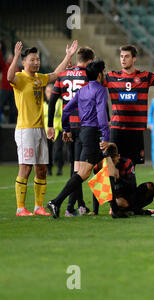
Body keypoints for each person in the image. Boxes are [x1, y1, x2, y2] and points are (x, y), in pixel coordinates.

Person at [8, 40, 78, 217]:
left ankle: (38, 206)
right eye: (32, 59)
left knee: (42, 169)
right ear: (24, 63)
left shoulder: (39, 78)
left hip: (39, 129)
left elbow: (56, 74)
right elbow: (9, 78)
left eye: (37, 59)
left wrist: (68, 56)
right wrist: (16, 56)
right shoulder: (20, 78)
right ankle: (20, 208)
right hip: (25, 129)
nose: (36, 62)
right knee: (25, 168)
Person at [47, 60, 110, 219]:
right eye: (103, 71)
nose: (104, 74)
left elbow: (66, 110)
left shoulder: (82, 91)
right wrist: (106, 136)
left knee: (102, 168)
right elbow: (102, 115)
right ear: (99, 74)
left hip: (83, 132)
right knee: (84, 173)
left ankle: (111, 207)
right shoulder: (101, 90)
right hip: (93, 134)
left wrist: (66, 129)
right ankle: (57, 201)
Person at [105, 45, 154, 168]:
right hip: (117, 128)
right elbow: (92, 78)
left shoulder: (145, 76)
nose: (123, 59)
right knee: (113, 165)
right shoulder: (111, 76)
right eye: (121, 56)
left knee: (132, 166)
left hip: (136, 130)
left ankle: (129, 187)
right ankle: (115, 188)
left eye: (126, 56)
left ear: (134, 59)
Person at [89, 143, 154, 217]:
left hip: (131, 195)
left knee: (151, 186)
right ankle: (127, 210)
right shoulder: (100, 167)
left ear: (118, 156)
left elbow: (132, 187)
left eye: (113, 160)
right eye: (109, 160)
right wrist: (95, 211)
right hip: (117, 199)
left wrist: (119, 178)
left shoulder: (127, 163)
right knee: (120, 202)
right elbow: (97, 188)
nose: (111, 163)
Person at [43, 84, 64, 176]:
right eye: (47, 92)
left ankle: (59, 168)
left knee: (58, 150)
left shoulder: (59, 102)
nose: (49, 94)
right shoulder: (43, 105)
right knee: (48, 151)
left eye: (51, 92)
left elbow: (63, 116)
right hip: (46, 131)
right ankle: (49, 169)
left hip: (58, 130)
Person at [0, 45, 18, 124]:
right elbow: (0, 60)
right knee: (1, 105)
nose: (11, 59)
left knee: (13, 108)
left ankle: (12, 123)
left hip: (13, 90)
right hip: (4, 89)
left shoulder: (16, 68)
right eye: (10, 58)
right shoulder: (5, 66)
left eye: (12, 58)